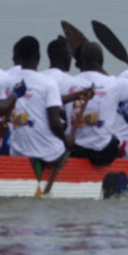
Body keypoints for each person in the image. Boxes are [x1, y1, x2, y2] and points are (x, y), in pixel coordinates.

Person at [65, 43, 128, 165]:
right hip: (102, 155)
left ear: (80, 62)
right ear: (102, 61)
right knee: (114, 140)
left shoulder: (66, 83)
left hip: (76, 151)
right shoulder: (115, 84)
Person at [7, 36, 78, 165]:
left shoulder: (8, 81)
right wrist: (66, 140)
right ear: (38, 57)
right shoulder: (48, 83)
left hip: (17, 152)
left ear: (18, 57)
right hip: (48, 155)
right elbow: (55, 124)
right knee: (67, 143)